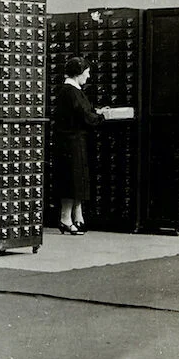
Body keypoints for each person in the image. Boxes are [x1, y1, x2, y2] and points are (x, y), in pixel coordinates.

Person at [52, 56, 105, 235]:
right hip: (70, 142)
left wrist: (97, 112)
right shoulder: (70, 91)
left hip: (75, 141)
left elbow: (84, 110)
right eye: (87, 72)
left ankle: (77, 216)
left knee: (78, 179)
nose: (88, 76)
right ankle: (65, 218)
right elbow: (83, 115)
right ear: (78, 73)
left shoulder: (73, 90)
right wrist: (102, 117)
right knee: (71, 180)